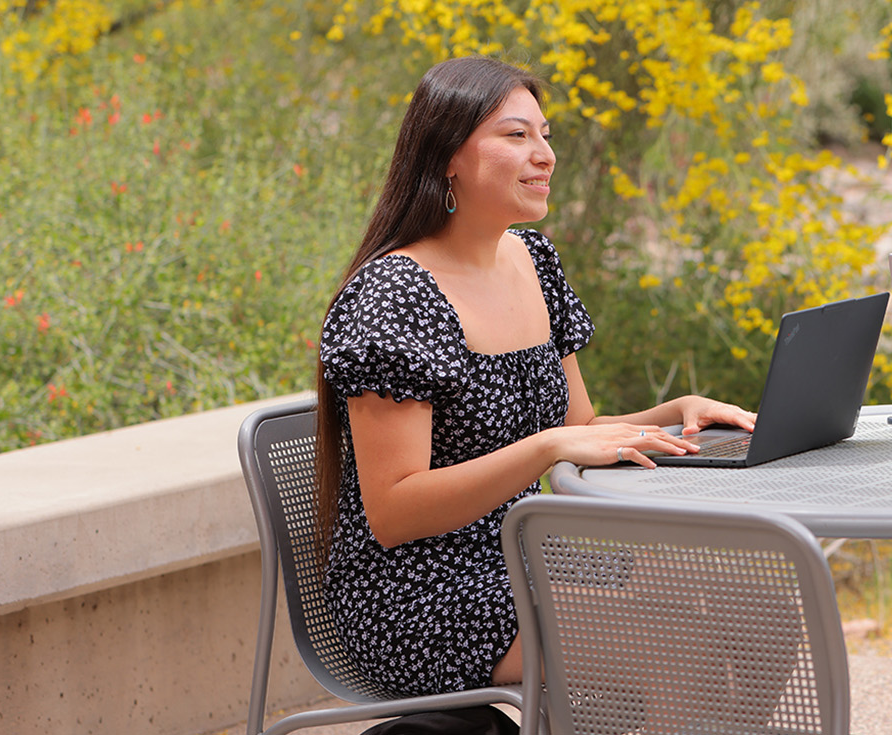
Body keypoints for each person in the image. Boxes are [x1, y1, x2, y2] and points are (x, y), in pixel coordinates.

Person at [313, 57, 757, 698]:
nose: (544, 154)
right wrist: (543, 449)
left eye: (545, 135)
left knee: (753, 610)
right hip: (418, 592)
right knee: (676, 650)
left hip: (528, 551)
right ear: (447, 158)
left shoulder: (533, 258)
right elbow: (393, 510)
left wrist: (675, 410)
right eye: (516, 135)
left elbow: (580, 428)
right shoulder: (394, 294)